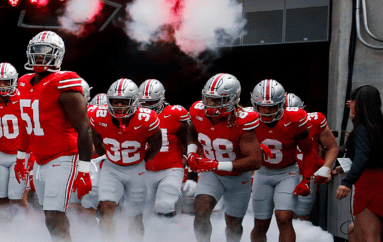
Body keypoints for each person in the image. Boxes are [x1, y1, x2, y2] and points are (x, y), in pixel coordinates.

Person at [14, 31, 93, 242]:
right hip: (40, 159)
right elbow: (26, 125)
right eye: (36, 52)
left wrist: (84, 170)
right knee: (48, 213)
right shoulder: (23, 82)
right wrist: (21, 158)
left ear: (58, 55)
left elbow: (84, 130)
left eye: (45, 52)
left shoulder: (64, 82)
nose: (40, 56)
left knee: (53, 214)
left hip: (63, 157)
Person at [188, 73, 262, 242]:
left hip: (237, 177)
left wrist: (216, 164)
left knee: (234, 223)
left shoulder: (243, 121)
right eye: (208, 99)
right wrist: (192, 152)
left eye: (217, 101)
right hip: (211, 173)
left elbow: (255, 161)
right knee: (201, 211)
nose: (210, 105)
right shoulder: (198, 111)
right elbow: (192, 131)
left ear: (233, 100)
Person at [90, 78, 162, 242]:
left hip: (136, 169)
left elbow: (156, 144)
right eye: (115, 101)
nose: (119, 106)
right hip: (111, 167)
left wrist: (142, 160)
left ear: (135, 102)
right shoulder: (98, 115)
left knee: (135, 215)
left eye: (124, 101)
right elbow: (95, 137)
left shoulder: (147, 118)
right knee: (106, 208)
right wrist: (105, 155)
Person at [247, 80, 314, 242]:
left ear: (282, 105)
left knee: (284, 218)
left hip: (287, 172)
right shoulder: (248, 119)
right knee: (261, 223)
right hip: (262, 172)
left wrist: (305, 179)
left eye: (272, 106)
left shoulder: (295, 119)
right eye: (262, 106)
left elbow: (309, 150)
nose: (267, 110)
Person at [336, 85, 383, 242]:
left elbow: (362, 155)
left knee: (369, 236)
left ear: (360, 103)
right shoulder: (375, 126)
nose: (349, 104)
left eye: (352, 101)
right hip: (375, 181)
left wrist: (347, 181)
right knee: (353, 231)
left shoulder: (363, 129)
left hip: (370, 185)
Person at [0, 62, 28, 224]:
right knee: (1, 199)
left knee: (17, 198)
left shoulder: (23, 99)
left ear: (14, 82)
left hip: (20, 154)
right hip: (0, 153)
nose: (1, 86)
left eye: (6, 82)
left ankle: (25, 230)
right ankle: (5, 234)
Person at [139, 79, 190, 217]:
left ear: (161, 99)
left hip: (171, 169)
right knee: (143, 210)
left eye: (151, 102)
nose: (147, 106)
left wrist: (186, 160)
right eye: (143, 102)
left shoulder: (175, 114)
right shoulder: (134, 116)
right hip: (145, 170)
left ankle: (168, 235)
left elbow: (189, 142)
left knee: (164, 204)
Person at [287, 93, 339, 221]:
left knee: (302, 216)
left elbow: (332, 147)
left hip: (306, 174)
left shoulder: (315, 121)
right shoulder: (268, 122)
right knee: (283, 215)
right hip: (283, 174)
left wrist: (325, 167)